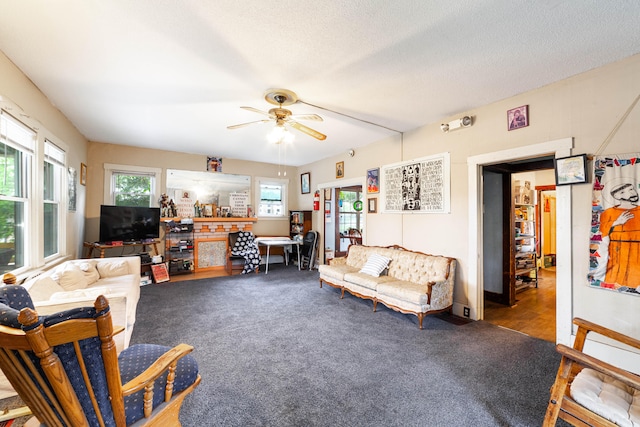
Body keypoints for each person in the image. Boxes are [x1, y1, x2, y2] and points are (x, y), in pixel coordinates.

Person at [593, 182, 640, 288]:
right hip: (617, 252)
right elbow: (600, 234)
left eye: (632, 189)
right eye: (626, 191)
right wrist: (616, 223)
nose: (632, 193)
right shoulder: (607, 213)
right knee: (616, 281)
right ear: (618, 196)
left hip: (637, 252)